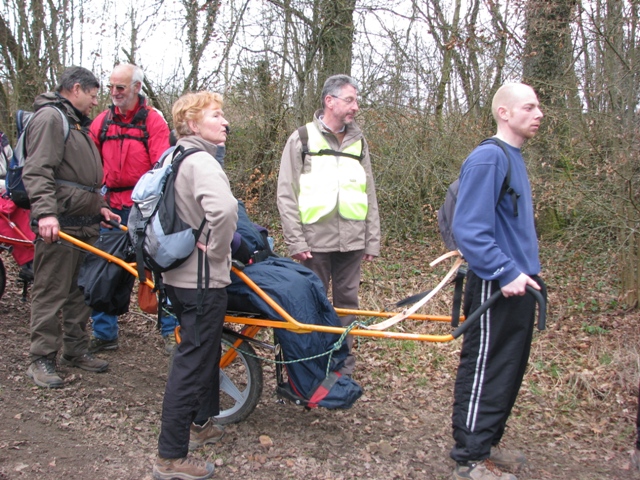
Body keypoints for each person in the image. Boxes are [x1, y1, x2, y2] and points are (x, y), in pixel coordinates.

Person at [449, 83, 545, 480]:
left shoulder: (513, 158)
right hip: (496, 283)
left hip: (521, 282)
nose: (539, 113)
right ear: (504, 112)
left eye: (539, 106)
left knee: (507, 368)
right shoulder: (489, 158)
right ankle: (468, 459)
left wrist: (524, 274)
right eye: (529, 106)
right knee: (485, 368)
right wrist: (505, 271)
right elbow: (469, 229)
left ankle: (486, 446)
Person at [152, 91, 237, 480]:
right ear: (192, 124)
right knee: (191, 362)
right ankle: (170, 458)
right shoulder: (201, 160)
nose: (225, 122)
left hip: (176, 275)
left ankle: (201, 424)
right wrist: (218, 251)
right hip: (202, 279)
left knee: (201, 354)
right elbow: (223, 210)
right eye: (216, 115)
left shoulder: (171, 156)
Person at [22, 66, 120, 388]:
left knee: (80, 293)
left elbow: (86, 179)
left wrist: (102, 207)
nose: (95, 103)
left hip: (85, 225)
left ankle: (75, 350)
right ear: (76, 88)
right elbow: (38, 170)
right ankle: (41, 358)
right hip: (60, 225)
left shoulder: (78, 124)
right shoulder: (51, 119)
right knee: (51, 292)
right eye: (92, 96)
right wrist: (46, 214)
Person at [276, 74, 381, 376]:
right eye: (350, 100)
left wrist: (371, 239)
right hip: (314, 244)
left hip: (352, 241)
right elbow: (286, 192)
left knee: (348, 306)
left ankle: (341, 366)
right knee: (313, 304)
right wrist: (296, 240)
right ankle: (312, 364)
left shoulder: (358, 142)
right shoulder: (302, 138)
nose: (356, 107)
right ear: (329, 101)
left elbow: (368, 191)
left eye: (356, 100)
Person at [89, 63, 177, 355]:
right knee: (105, 268)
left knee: (160, 269)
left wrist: (151, 208)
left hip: (144, 209)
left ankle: (170, 333)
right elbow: (89, 164)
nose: (114, 93)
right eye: (111, 86)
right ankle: (104, 333)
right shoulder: (101, 122)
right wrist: (96, 200)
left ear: (137, 88)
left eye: (120, 87)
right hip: (110, 206)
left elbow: (161, 167)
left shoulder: (153, 122)